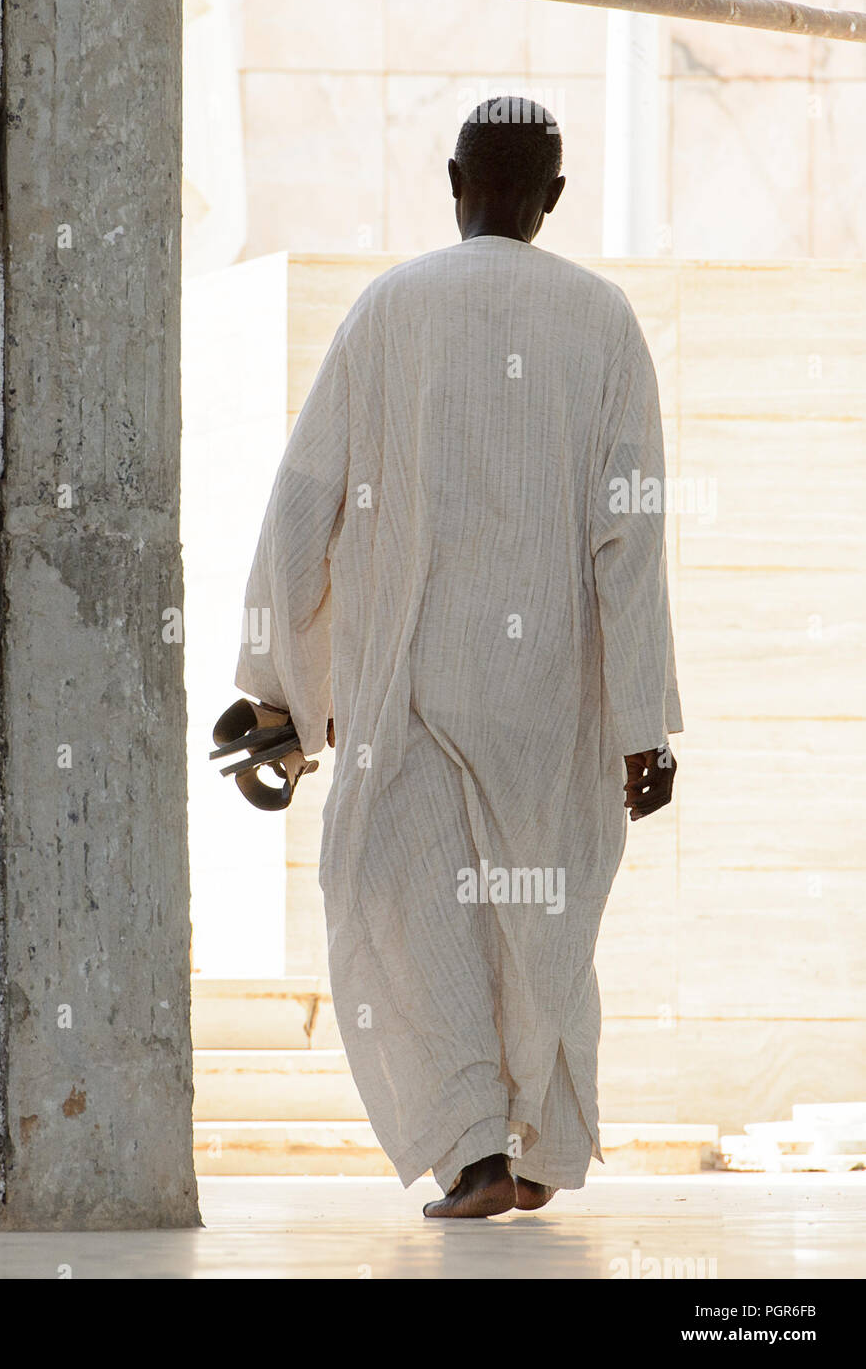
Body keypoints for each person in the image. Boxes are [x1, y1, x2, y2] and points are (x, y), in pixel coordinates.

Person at [234, 95, 682, 1218]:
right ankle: (527, 1147)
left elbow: (301, 506)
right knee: (541, 924)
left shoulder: (388, 310)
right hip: (555, 709)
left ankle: (479, 1150)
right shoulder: (605, 320)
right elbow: (632, 531)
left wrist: (287, 694)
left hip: (408, 693)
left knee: (399, 912)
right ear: (554, 198)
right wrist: (642, 720)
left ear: (452, 180)